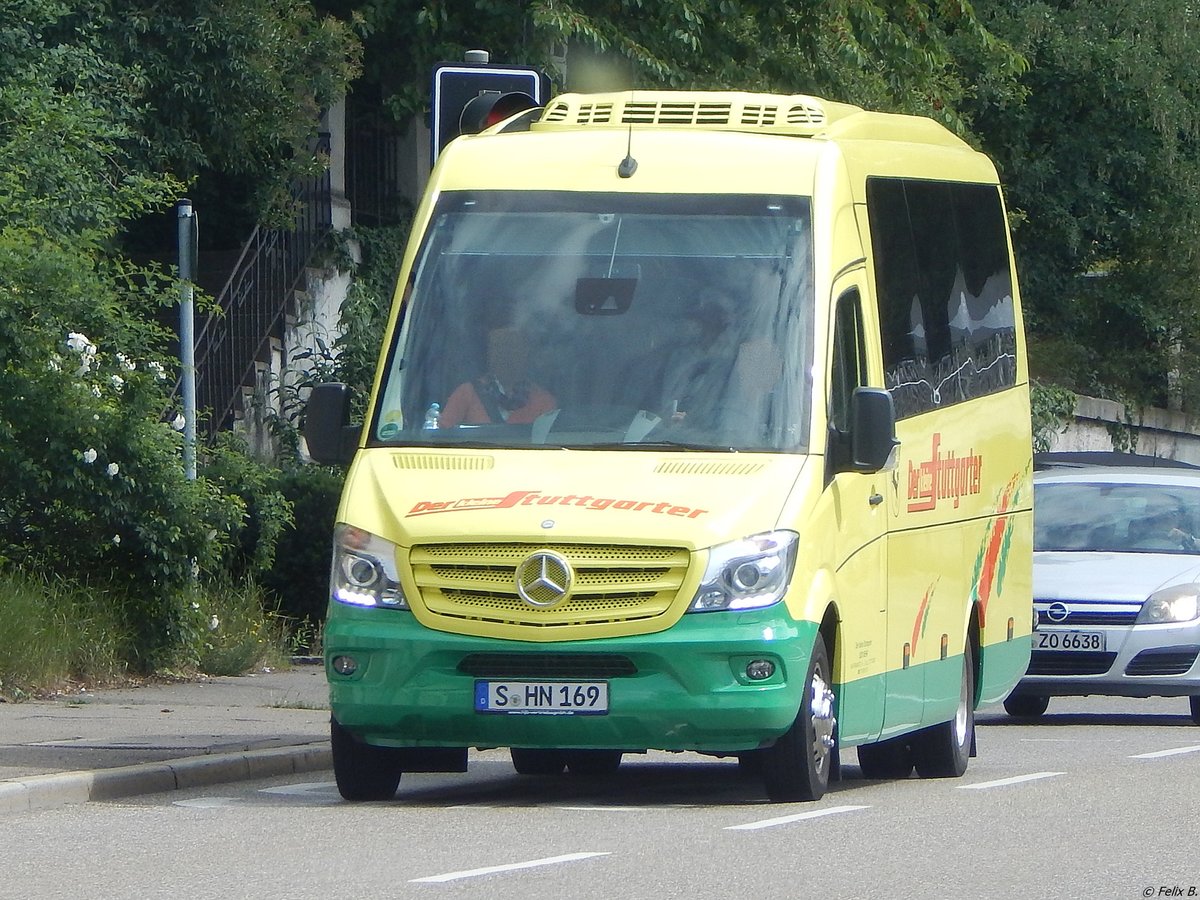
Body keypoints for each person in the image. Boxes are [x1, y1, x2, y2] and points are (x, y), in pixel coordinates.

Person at [439, 325, 556, 428]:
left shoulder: (544, 401)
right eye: (498, 346)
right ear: (489, 354)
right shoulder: (466, 394)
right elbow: (443, 436)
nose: (504, 354)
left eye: (512, 346)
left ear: (525, 353)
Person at [1132, 503, 1197, 551]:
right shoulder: (1135, 542)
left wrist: (1187, 538)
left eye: (1173, 514)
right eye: (1163, 518)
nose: (1168, 518)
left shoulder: (1186, 539)